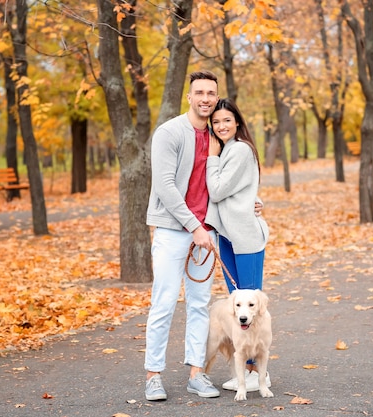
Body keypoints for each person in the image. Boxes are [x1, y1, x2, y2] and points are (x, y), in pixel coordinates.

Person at [143, 70, 222, 401]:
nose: (205, 98)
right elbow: (165, 185)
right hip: (174, 231)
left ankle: (196, 373)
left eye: (211, 93)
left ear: (217, 98)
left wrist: (252, 202)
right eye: (200, 92)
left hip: (205, 232)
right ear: (189, 96)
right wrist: (194, 227)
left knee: (200, 304)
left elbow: (225, 179)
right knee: (163, 302)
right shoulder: (169, 132)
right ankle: (153, 375)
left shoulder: (218, 136)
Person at [205, 97, 271, 392]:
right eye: (216, 121)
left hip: (245, 239)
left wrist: (211, 157)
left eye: (226, 120)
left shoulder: (239, 149)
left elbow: (217, 190)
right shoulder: (230, 149)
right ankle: (245, 369)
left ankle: (258, 372)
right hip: (229, 236)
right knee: (238, 307)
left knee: (253, 305)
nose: (221, 126)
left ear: (238, 122)